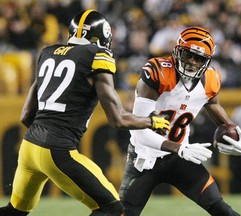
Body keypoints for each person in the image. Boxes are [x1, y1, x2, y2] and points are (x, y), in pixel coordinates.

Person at [0, 10, 170, 216]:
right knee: (112, 209)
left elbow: (26, 115)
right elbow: (118, 119)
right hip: (58, 149)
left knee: (13, 212)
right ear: (102, 38)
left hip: (29, 147)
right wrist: (151, 121)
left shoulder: (47, 53)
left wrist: (44, 140)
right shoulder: (97, 56)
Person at [119, 26, 241, 216]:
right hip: (145, 158)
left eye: (198, 58)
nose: (192, 62)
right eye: (188, 55)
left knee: (220, 208)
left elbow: (214, 106)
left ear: (207, 61)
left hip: (179, 158)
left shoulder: (210, 79)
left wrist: (236, 134)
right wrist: (179, 148)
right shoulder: (158, 72)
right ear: (176, 51)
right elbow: (139, 131)